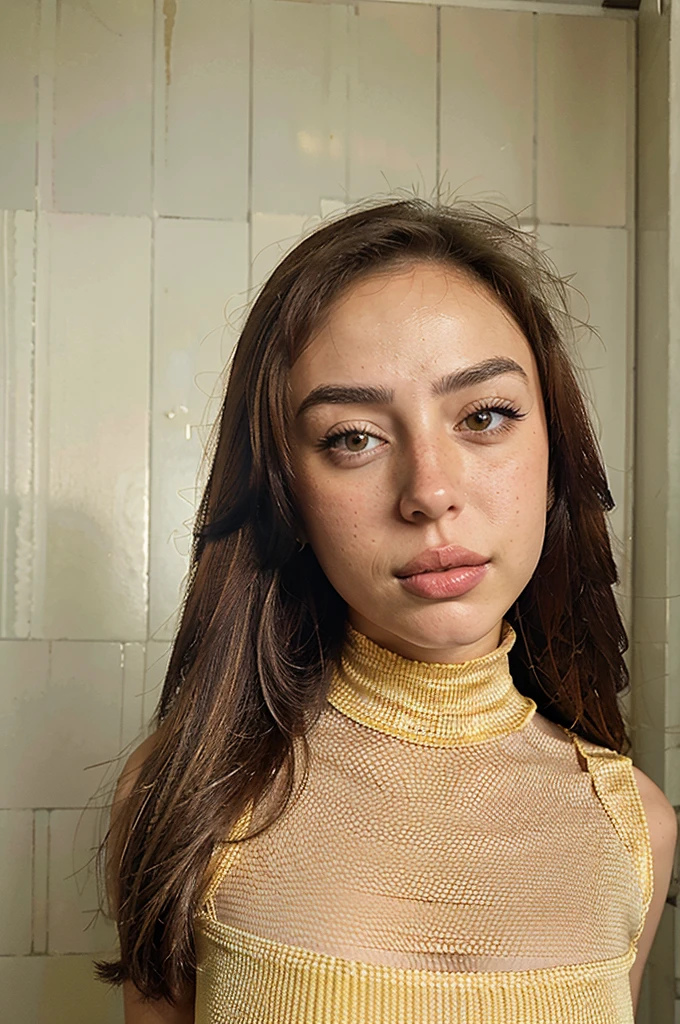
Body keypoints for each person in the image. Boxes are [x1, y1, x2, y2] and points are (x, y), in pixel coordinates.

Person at [96, 197, 677, 1024]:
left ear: (555, 448)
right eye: (353, 438)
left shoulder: (636, 829)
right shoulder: (185, 798)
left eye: (485, 416)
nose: (430, 492)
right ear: (286, 491)